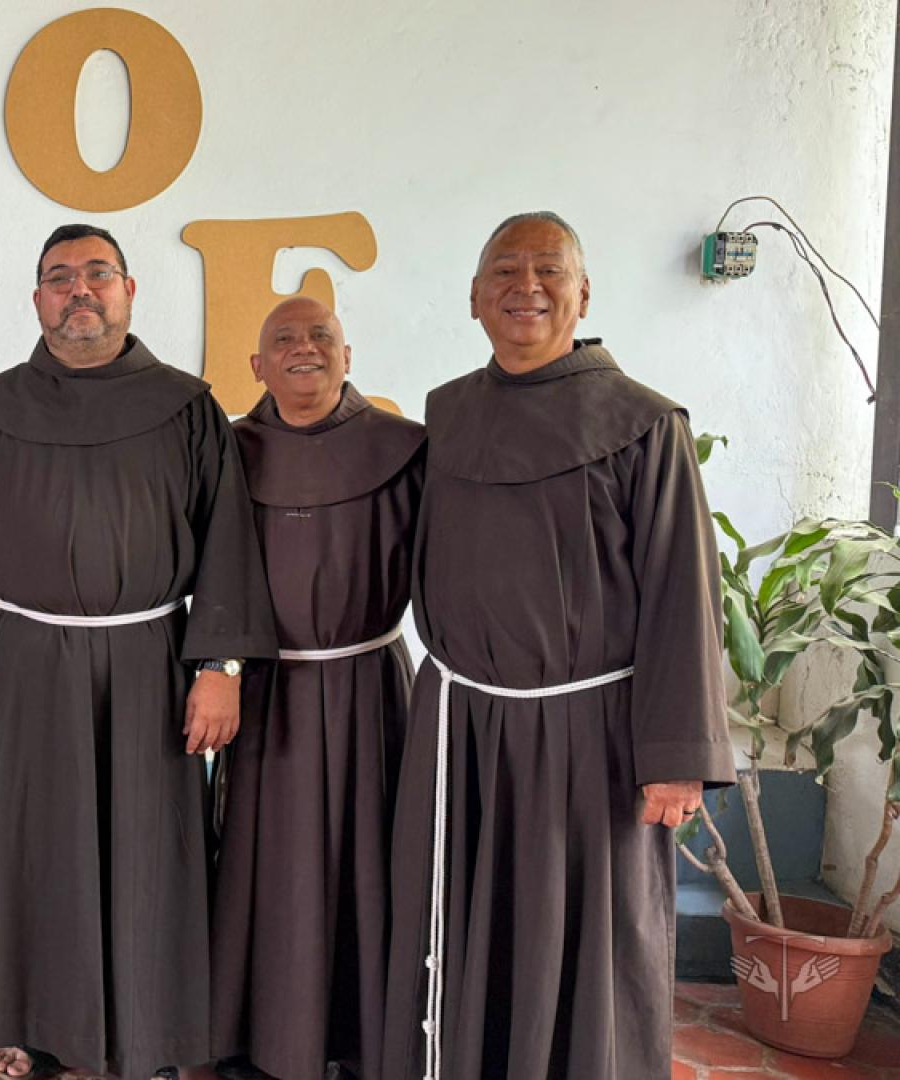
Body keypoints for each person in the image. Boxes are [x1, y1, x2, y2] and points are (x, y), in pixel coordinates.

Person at [380, 212, 732, 1080]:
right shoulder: (449, 413)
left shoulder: (643, 423)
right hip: (461, 723)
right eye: (505, 270)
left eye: (549, 270)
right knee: (466, 920)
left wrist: (677, 760)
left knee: (583, 940)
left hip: (588, 736)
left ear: (584, 293)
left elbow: (684, 594)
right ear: (473, 297)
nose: (526, 287)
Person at [0, 223, 276, 1080]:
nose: (79, 289)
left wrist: (220, 669)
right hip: (21, 665)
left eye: (97, 274)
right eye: (59, 277)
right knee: (30, 850)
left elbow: (227, 542)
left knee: (148, 850)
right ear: (36, 298)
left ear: (128, 290)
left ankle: (151, 1034)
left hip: (146, 662)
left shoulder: (186, 407)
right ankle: (30, 1025)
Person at [208, 297, 425, 1080]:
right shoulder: (228, 451)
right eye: (285, 339)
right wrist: (217, 670)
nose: (305, 348)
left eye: (321, 336)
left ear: (348, 355)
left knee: (368, 865)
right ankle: (254, 1038)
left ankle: (363, 1039)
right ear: (257, 365)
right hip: (267, 693)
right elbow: (208, 573)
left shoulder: (404, 448)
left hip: (370, 688)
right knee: (266, 871)